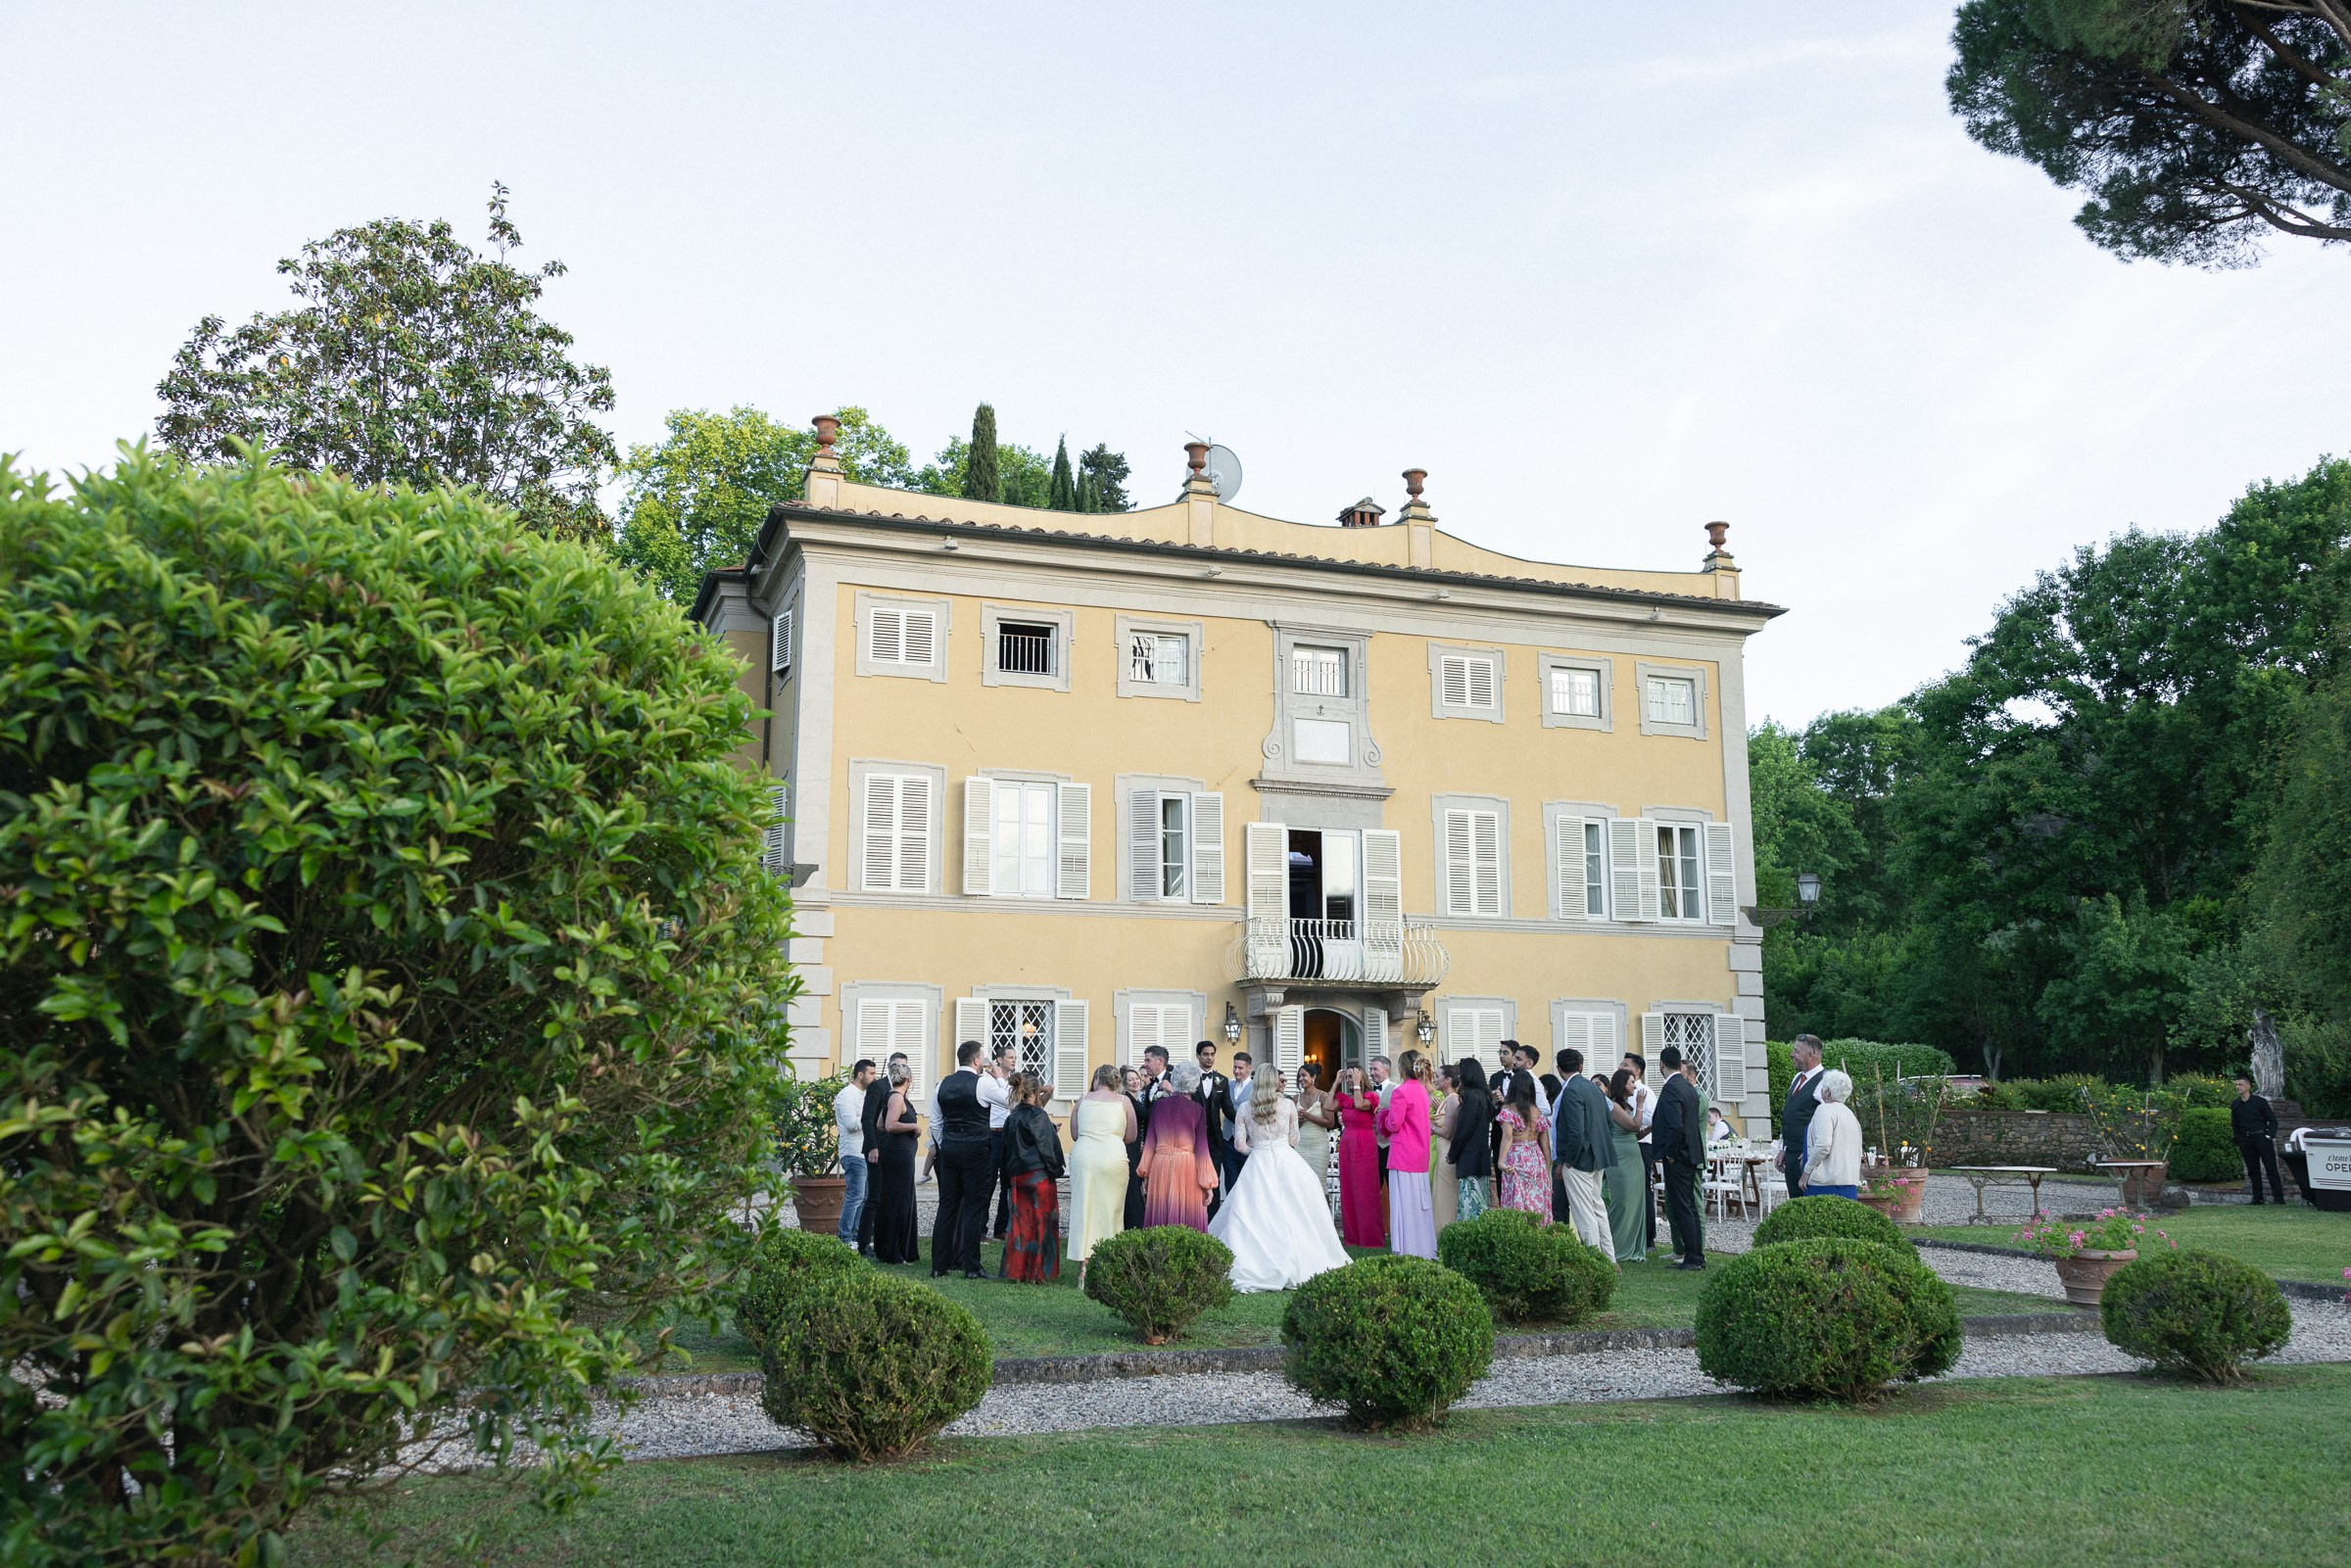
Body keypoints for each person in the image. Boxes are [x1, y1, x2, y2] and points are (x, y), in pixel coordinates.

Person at [1208, 1066, 1352, 1290]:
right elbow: (1294, 1139)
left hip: (1258, 1162)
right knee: (1294, 1208)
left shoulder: (1245, 1108)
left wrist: (1258, 1150)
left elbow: (1239, 1145)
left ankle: (1256, 1258)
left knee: (1255, 1210)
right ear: (1274, 1082)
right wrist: (1278, 1145)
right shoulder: (1287, 1105)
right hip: (1286, 1159)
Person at [931, 1039, 994, 1280]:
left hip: (949, 1149)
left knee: (947, 1207)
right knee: (974, 1208)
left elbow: (936, 1123)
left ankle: (939, 1266)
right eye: (983, 1057)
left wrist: (944, 1145)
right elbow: (1009, 1099)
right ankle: (972, 1267)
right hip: (976, 1150)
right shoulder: (983, 1083)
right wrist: (998, 1076)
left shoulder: (941, 1084)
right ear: (977, 1060)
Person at [1070, 1064, 1136, 1286]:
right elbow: (1131, 1136)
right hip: (1112, 1156)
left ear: (1097, 1077)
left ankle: (1084, 1268)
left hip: (1085, 1156)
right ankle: (1110, 1263)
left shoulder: (1082, 1100)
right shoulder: (1124, 1102)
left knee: (1084, 1209)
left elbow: (1075, 1134)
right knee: (1112, 1210)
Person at [1138, 1058, 1221, 1230]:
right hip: (1187, 1165)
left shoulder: (1158, 1106)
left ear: (1174, 1079)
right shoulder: (1197, 1110)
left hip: (1160, 1164)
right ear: (1195, 1083)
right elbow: (1202, 1150)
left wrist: (1146, 1175)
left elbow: (1150, 1143)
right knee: (1188, 1217)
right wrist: (1208, 1184)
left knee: (1160, 1217)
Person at [1001, 1072, 1066, 1282]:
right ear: (1034, 1093)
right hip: (1039, 1176)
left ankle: (1017, 1270)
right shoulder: (1039, 1115)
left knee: (1020, 1223)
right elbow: (1047, 1148)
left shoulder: (1011, 1118)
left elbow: (1006, 1149)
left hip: (1018, 1176)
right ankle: (1039, 1272)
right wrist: (1057, 1169)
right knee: (1041, 1224)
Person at [1551, 1049, 1613, 1254]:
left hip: (1578, 1160)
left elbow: (1576, 1132)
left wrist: (1568, 1160)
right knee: (1598, 1209)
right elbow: (1609, 1124)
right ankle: (1609, 1258)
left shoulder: (1571, 1090)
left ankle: (1594, 1260)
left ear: (1559, 1069)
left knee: (1584, 1214)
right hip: (1597, 1157)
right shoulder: (1594, 1088)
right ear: (1581, 1066)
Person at [1653, 1046, 1707, 1269]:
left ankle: (1693, 1257)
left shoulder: (1671, 1088)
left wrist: (1670, 1154)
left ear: (1661, 1065)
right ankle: (1696, 1255)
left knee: (1683, 1207)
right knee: (1690, 1206)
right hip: (1691, 1154)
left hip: (1679, 1156)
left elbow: (1675, 1126)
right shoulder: (1687, 1086)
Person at [1379, 1050, 1437, 1258]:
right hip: (1420, 1152)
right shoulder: (1422, 1091)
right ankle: (1422, 1246)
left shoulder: (1401, 1092)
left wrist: (1384, 1117)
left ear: (1402, 1068)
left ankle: (1405, 1247)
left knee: (1403, 1203)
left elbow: (1394, 1123)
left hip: (1403, 1153)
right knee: (1419, 1204)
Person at [871, 1060, 922, 1264]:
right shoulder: (897, 1098)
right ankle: (893, 1250)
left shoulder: (891, 1096)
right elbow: (889, 1125)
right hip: (898, 1155)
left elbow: (879, 1124)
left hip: (898, 1153)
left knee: (897, 1197)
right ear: (908, 1079)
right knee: (898, 1200)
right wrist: (913, 1127)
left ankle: (898, 1248)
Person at [856, 1051, 904, 1256]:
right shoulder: (878, 1086)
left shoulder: (900, 1089)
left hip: (892, 1150)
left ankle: (883, 1240)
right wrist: (872, 1146)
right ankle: (863, 1243)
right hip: (877, 1149)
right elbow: (867, 1118)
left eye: (904, 1066)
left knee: (888, 1196)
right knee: (874, 1196)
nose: (901, 1069)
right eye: (898, 1066)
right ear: (891, 1067)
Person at [1333, 1067, 1386, 1247]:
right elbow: (1327, 1106)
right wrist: (1336, 1082)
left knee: (1365, 1189)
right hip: (1347, 1146)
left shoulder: (1371, 1096)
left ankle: (1370, 1236)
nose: (1348, 1080)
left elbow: (1359, 1105)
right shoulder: (1345, 1099)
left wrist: (1357, 1085)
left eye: (1351, 1077)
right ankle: (1352, 1236)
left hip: (1364, 1145)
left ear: (1360, 1077)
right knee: (1348, 1188)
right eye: (1347, 1077)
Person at [1603, 1069, 1649, 1263]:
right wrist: (1640, 1104)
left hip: (1634, 1160)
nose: (1635, 1087)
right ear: (1622, 1085)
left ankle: (1633, 1244)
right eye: (1632, 1083)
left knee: (1635, 1202)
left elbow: (1635, 1133)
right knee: (1622, 1201)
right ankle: (1614, 1245)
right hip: (1620, 1159)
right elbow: (1634, 1126)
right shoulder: (1613, 1106)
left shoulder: (1625, 1106)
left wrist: (1652, 1127)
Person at [1799, 1068, 1862, 1202]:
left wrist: (1806, 1172)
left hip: (1825, 1183)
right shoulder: (1850, 1115)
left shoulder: (1824, 1109)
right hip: (1849, 1182)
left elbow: (1823, 1145)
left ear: (1827, 1091)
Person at [1495, 1073, 1551, 1220]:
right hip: (1536, 1158)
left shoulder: (1508, 1109)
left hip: (1517, 1157)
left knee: (1517, 1201)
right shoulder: (1537, 1111)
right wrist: (1547, 1167)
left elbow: (1508, 1137)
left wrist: (1500, 1161)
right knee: (1536, 1203)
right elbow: (1545, 1142)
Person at [833, 1060, 877, 1248]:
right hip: (852, 1153)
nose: (874, 1077)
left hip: (864, 1152)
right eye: (871, 1074)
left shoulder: (865, 1095)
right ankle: (845, 1238)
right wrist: (871, 1118)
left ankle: (857, 1238)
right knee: (855, 1195)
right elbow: (850, 1124)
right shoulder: (846, 1095)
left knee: (865, 1197)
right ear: (860, 1074)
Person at [1448, 1062, 1496, 1222]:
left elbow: (1463, 1130)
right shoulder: (1484, 1096)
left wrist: (1452, 1154)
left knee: (1470, 1205)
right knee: (1481, 1203)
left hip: (1469, 1157)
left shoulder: (1470, 1097)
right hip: (1481, 1156)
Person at [1193, 1041, 1234, 1216]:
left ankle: (1212, 1220)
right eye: (1205, 1054)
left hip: (1214, 1139)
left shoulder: (1222, 1081)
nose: (1209, 1058)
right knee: (1193, 1179)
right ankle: (1194, 1217)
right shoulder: (1190, 1078)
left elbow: (1228, 1109)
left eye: (1212, 1054)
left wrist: (1246, 1123)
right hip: (1192, 1138)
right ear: (1198, 1056)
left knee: (1214, 1179)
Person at [2231, 1072, 2286, 1205]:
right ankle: (2257, 1198)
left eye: (2240, 1084)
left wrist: (2269, 1135)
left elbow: (2272, 1120)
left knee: (2270, 1167)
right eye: (2236, 1085)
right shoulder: (2236, 1104)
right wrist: (2238, 1139)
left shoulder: (2260, 1102)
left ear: (2248, 1086)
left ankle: (2278, 1198)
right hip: (2246, 1140)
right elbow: (2235, 1123)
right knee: (2253, 1170)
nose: (2238, 1087)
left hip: (2261, 1137)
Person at [1621, 1051, 1658, 1248]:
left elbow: (1652, 1119)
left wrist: (1633, 1116)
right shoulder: (1622, 1092)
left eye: (1625, 1065)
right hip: (1628, 1144)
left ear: (1636, 1071)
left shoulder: (1644, 1092)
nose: (1620, 1067)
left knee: (1643, 1189)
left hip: (1642, 1144)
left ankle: (1648, 1237)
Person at [1782, 1034, 1826, 1198]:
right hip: (1791, 1154)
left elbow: (1827, 1121)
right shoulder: (1797, 1078)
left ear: (1810, 1054)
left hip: (1807, 1157)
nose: (1791, 1055)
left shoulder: (1824, 1081)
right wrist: (1783, 1148)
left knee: (1810, 1203)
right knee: (1795, 1202)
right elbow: (1790, 1116)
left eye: (1796, 1051)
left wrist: (1812, 1152)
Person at [983, 1041, 1016, 1241]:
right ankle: (981, 1228)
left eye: (1015, 1058)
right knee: (988, 1182)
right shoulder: (988, 1080)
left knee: (1007, 1183)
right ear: (999, 1059)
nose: (1014, 1060)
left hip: (1009, 1134)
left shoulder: (1014, 1081)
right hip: (992, 1133)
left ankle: (1001, 1228)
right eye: (1010, 1057)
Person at [1294, 1061, 1336, 1217]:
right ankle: (1304, 1219)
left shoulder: (1323, 1096)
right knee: (1301, 1184)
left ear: (1313, 1077)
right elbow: (1294, 1128)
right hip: (1300, 1145)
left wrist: (1308, 1116)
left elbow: (1330, 1123)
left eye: (1304, 1075)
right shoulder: (1295, 1098)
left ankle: (1325, 1220)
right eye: (1299, 1076)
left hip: (1319, 1145)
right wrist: (1300, 1120)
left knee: (1319, 1183)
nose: (1301, 1079)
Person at [1431, 1065, 1462, 1230]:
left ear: (1448, 1080)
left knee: (1446, 1198)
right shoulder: (1446, 1100)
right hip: (1441, 1151)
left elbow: (1449, 1132)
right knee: (1440, 1197)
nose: (1434, 1079)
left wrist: (1431, 1126)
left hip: (1447, 1154)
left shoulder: (1452, 1099)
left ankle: (1446, 1232)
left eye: (1437, 1076)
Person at [1121, 1064, 1150, 1230]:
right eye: (1130, 1080)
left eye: (1137, 1078)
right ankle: (1135, 1224)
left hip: (1137, 1145)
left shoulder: (1137, 1099)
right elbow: (1146, 1115)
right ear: (1124, 1083)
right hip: (1130, 1147)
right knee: (1132, 1185)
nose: (1135, 1082)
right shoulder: (1128, 1099)